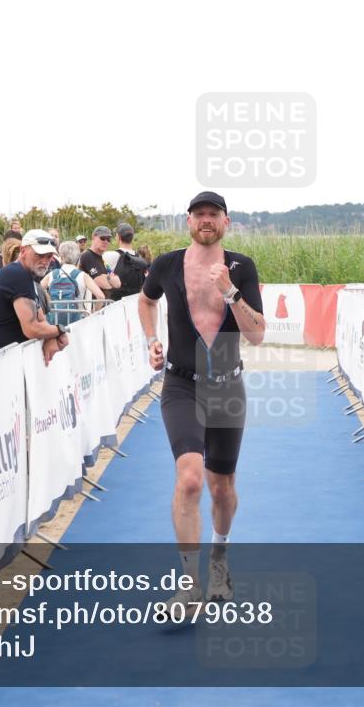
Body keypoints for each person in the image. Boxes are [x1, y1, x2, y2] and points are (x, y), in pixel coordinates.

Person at [137, 190, 266, 613]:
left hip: (228, 388)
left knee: (222, 488)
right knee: (190, 479)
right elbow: (146, 299)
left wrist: (230, 292)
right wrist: (153, 341)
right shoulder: (168, 264)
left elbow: (257, 333)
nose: (206, 220)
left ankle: (220, 560)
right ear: (188, 221)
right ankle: (189, 585)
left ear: (226, 222)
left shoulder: (242, 267)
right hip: (181, 385)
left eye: (214, 214)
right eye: (199, 214)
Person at [0, 230, 69, 367]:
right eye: (39, 254)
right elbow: (32, 328)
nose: (45, 261)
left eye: (49, 256)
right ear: (23, 251)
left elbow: (41, 319)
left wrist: (50, 336)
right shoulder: (18, 275)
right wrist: (60, 330)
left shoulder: (22, 275)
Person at [42, 240, 106, 327]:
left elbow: (38, 290)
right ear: (78, 257)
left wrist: (48, 299)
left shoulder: (52, 275)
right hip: (78, 324)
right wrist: (93, 313)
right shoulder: (83, 276)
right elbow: (101, 297)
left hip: (55, 323)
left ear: (60, 256)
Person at [103, 222, 150, 302]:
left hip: (116, 305)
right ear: (132, 237)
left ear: (118, 237)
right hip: (135, 304)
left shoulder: (110, 255)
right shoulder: (141, 261)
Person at [79, 226, 122, 296]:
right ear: (93, 237)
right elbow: (103, 284)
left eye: (108, 239)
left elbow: (118, 284)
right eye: (102, 238)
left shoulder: (102, 258)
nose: (106, 241)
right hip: (93, 303)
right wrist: (109, 278)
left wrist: (107, 277)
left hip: (104, 303)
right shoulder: (88, 256)